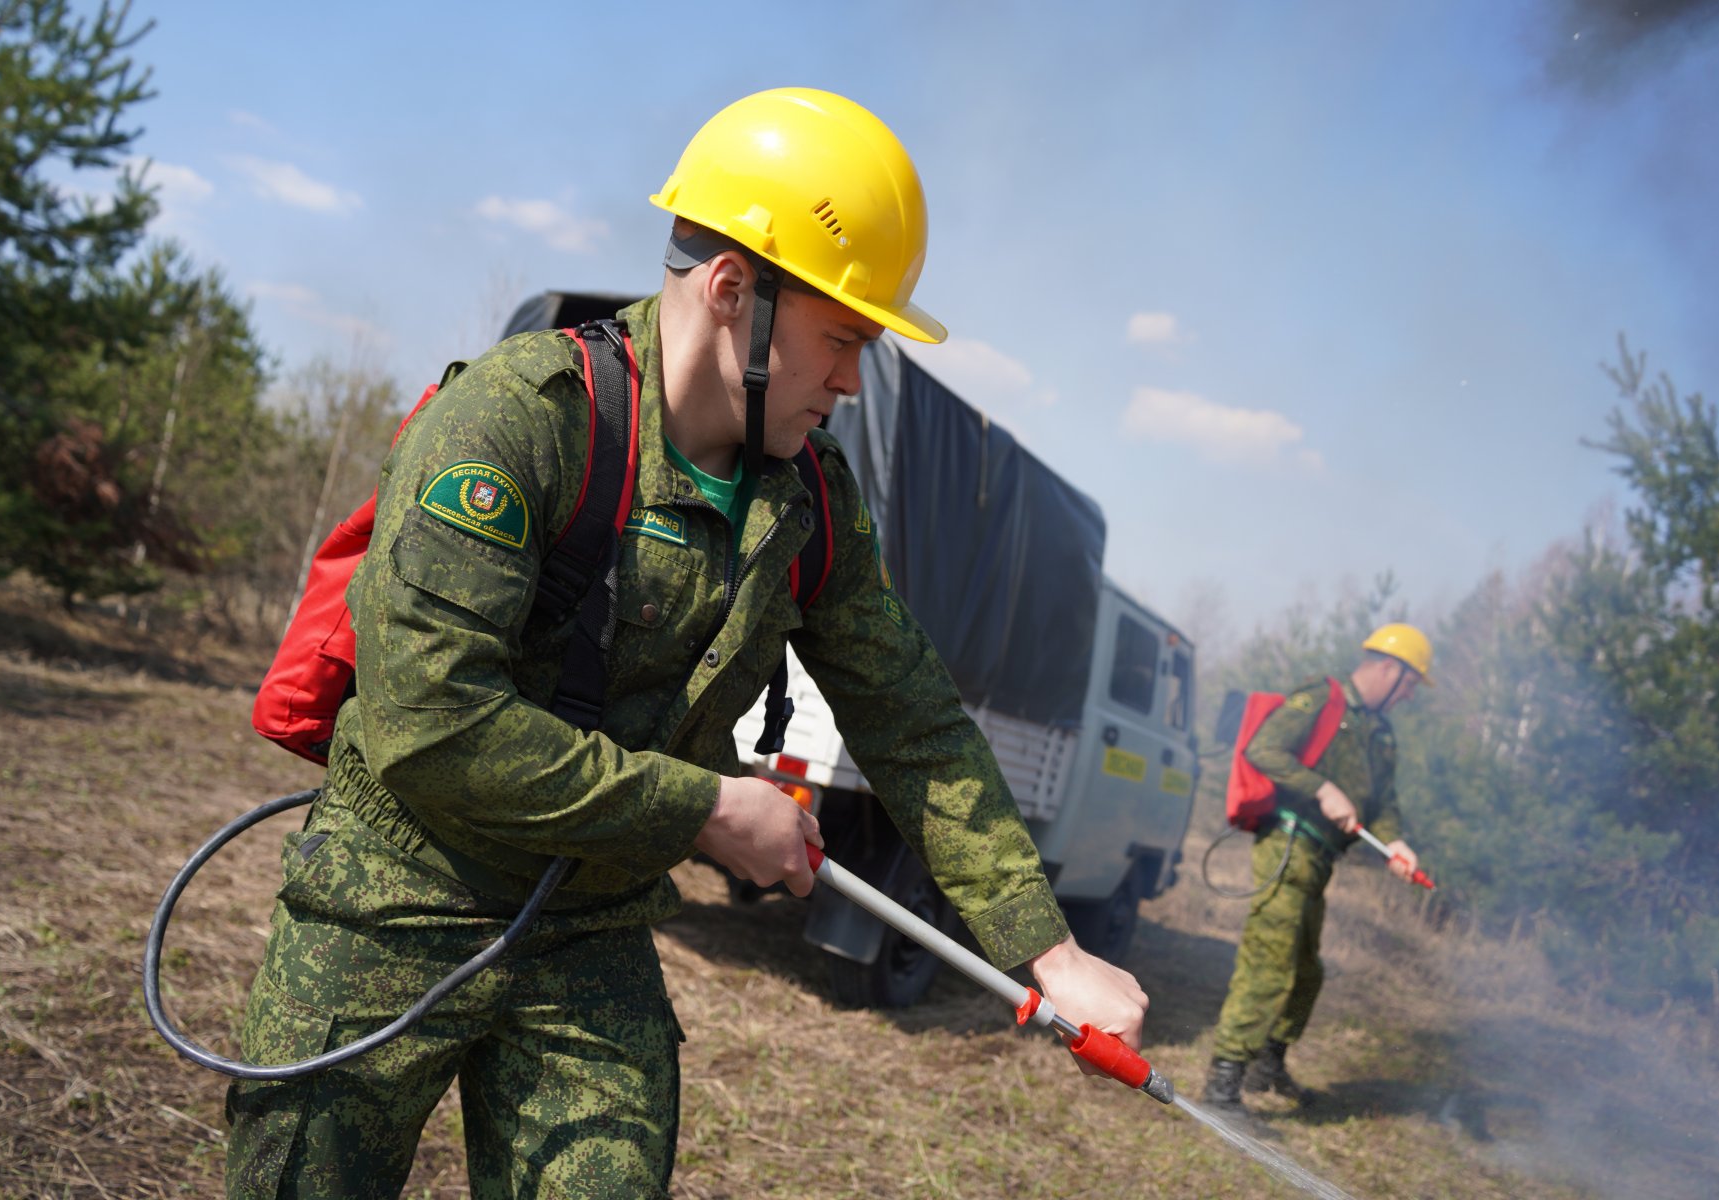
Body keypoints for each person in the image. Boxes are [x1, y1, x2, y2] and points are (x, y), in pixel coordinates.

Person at [224, 87, 1148, 1199]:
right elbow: (435, 722)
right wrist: (709, 812)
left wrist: (1050, 955)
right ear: (730, 292)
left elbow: (914, 720)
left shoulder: (812, 498)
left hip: (589, 927)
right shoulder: (519, 421)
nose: (854, 382)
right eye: (842, 339)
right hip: (392, 893)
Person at [1202, 623, 1430, 1114]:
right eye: (1410, 684)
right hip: (1287, 844)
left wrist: (1397, 843)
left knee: (1306, 971)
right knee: (1269, 963)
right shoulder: (1321, 697)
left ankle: (1269, 1066)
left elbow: (1383, 802)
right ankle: (1223, 1082)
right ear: (1390, 668)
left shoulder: (1381, 736)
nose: (1409, 696)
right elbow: (1262, 749)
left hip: (1321, 859)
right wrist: (1322, 788)